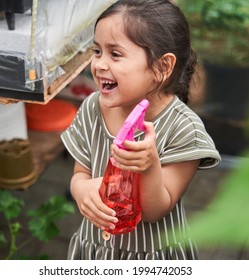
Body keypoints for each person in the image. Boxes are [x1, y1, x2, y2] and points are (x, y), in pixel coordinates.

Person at [61, 0, 221, 260]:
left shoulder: (184, 129)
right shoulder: (93, 107)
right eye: (97, 50)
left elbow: (154, 211)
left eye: (115, 54)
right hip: (94, 249)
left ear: (162, 67)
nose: (99, 64)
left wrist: (148, 166)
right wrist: (82, 191)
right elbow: (81, 173)